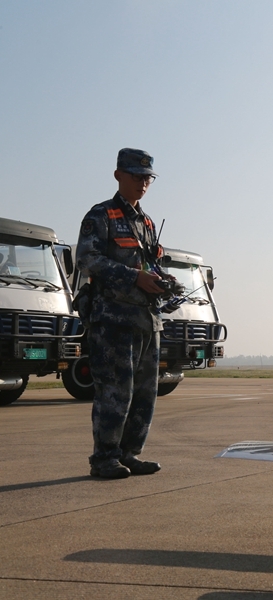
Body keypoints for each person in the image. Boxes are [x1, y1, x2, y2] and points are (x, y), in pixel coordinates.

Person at [77, 148, 171, 479]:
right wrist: (135, 278)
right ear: (118, 175)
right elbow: (88, 260)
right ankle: (104, 458)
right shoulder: (101, 216)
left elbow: (148, 264)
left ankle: (128, 454)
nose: (143, 183)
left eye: (147, 178)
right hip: (113, 320)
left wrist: (160, 279)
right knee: (115, 392)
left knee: (145, 394)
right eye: (136, 176)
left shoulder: (145, 223)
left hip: (147, 319)